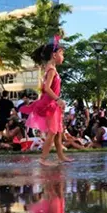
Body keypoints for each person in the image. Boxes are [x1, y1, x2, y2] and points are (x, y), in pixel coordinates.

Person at [21, 37, 71, 166]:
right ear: (54, 55)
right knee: (52, 132)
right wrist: (58, 99)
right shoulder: (52, 69)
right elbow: (46, 88)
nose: (63, 57)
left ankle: (61, 156)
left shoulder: (50, 68)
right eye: (61, 53)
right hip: (50, 104)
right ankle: (43, 159)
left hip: (52, 103)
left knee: (58, 131)